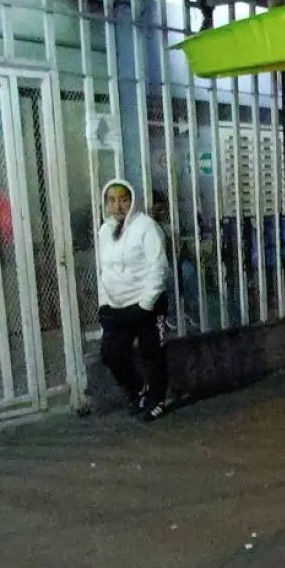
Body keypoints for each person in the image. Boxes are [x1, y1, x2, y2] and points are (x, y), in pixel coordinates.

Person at [97, 179, 170, 421]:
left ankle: (157, 399)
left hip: (145, 305)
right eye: (112, 200)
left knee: (152, 354)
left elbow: (158, 267)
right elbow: (105, 270)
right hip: (116, 307)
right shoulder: (105, 232)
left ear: (133, 201)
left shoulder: (146, 227)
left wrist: (146, 304)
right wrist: (104, 303)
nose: (118, 206)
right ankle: (138, 389)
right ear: (106, 204)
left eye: (124, 199)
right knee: (110, 353)